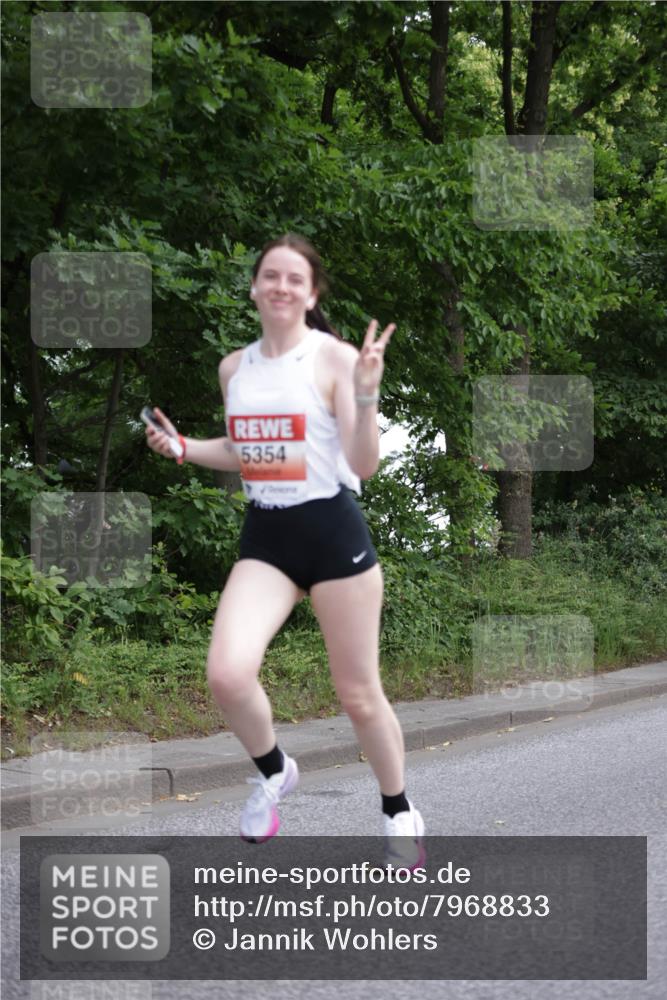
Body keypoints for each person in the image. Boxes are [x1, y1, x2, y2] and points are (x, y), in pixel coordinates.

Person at [145, 233, 425, 869]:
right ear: (254, 287)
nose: (281, 286)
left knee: (357, 694)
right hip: (267, 535)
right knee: (226, 672)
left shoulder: (334, 359)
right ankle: (275, 771)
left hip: (332, 533)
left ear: (311, 292)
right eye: (270, 275)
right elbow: (249, 450)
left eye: (295, 278)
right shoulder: (233, 368)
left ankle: (398, 808)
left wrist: (366, 392)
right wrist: (186, 447)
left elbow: (363, 464)